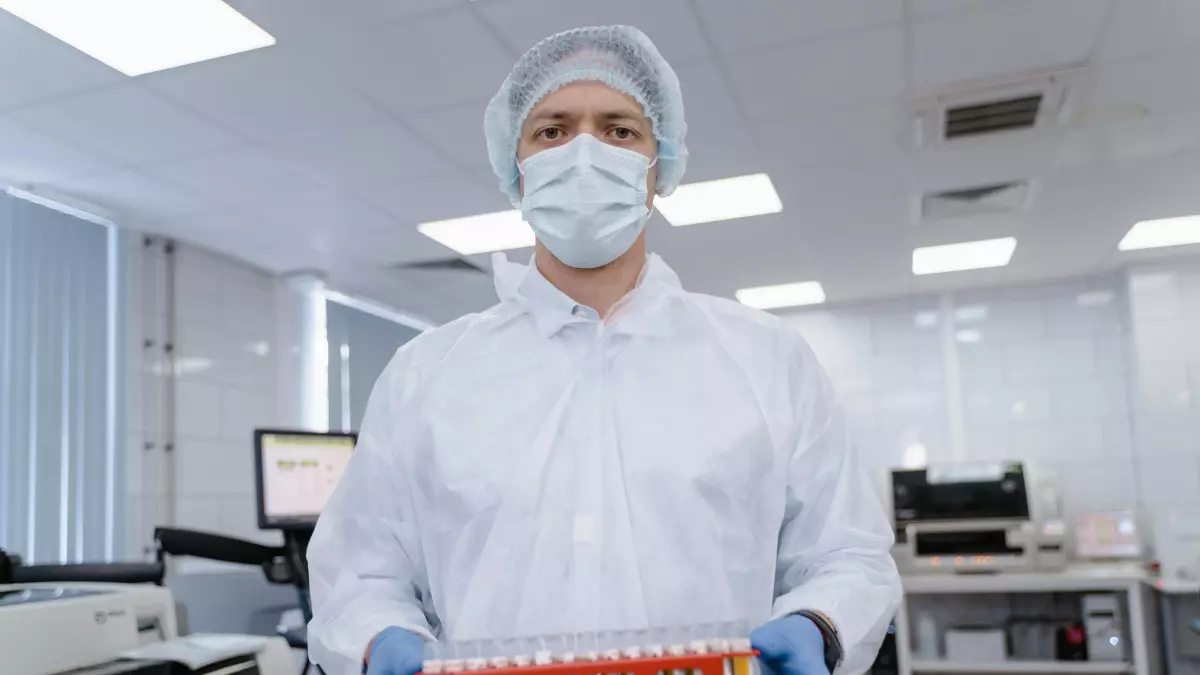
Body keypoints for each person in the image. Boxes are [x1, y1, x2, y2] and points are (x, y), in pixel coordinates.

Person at [307, 25, 901, 675]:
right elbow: (360, 572)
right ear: (518, 166)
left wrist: (820, 620)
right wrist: (378, 635)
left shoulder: (767, 360)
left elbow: (849, 553)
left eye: (619, 130)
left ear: (658, 165)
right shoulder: (426, 376)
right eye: (553, 130)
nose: (584, 152)